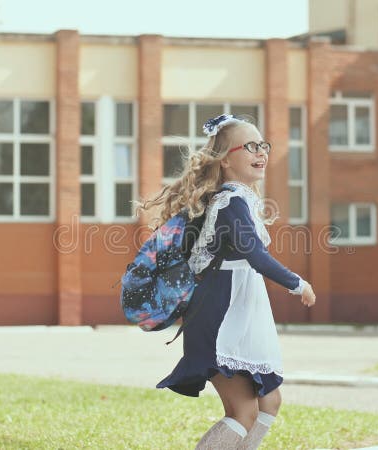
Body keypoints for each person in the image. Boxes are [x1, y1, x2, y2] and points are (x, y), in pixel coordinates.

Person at [136, 113, 317, 449]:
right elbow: (255, 256)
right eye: (250, 145)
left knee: (269, 401)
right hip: (220, 317)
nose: (261, 151)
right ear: (225, 161)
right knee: (243, 411)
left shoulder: (241, 200)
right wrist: (297, 283)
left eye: (263, 144)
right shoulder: (230, 201)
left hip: (240, 314)